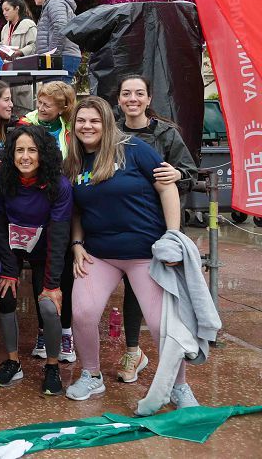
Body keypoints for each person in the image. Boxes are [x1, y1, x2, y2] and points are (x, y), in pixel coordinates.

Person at [63, 96, 196, 409]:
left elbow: (167, 186)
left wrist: (173, 237)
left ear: (107, 122)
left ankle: (179, 386)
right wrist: (77, 244)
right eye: (81, 121)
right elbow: (77, 211)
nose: (87, 126)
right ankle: (91, 376)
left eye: (94, 120)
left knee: (163, 324)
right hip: (100, 253)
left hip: (145, 253)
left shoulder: (133, 149)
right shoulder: (75, 160)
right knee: (82, 312)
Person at [113, 74, 198, 384]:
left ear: (149, 99)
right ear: (119, 100)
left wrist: (178, 173)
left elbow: (189, 173)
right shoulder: (111, 132)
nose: (132, 99)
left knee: (164, 294)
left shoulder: (167, 135)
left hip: (160, 226)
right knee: (132, 289)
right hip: (121, 224)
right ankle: (134, 350)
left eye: (139, 93)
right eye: (126, 94)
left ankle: (177, 358)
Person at [0, 125, 73, 396]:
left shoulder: (59, 185)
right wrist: (9, 270)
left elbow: (59, 236)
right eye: (19, 150)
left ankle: (52, 365)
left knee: (48, 306)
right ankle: (13, 362)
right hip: (11, 244)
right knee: (6, 295)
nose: (25, 156)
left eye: (32, 150)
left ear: (43, 154)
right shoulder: (1, 179)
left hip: (46, 247)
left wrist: (52, 284)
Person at [32, 0, 81, 82]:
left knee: (56, 95)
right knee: (56, 95)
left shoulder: (55, 2)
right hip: (62, 56)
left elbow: (60, 26)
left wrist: (52, 56)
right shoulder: (53, 3)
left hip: (62, 57)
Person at [0, 0, 38, 115]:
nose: (4, 13)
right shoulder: (5, 28)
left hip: (24, 71)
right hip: (7, 72)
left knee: (23, 106)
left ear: (17, 9)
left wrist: (20, 52)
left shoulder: (29, 24)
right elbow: (2, 44)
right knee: (9, 104)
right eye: (3, 10)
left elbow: (35, 45)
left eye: (7, 9)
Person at [19, 81, 76, 158]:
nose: (40, 108)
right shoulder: (25, 124)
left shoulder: (72, 128)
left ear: (61, 109)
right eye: (39, 102)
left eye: (47, 105)